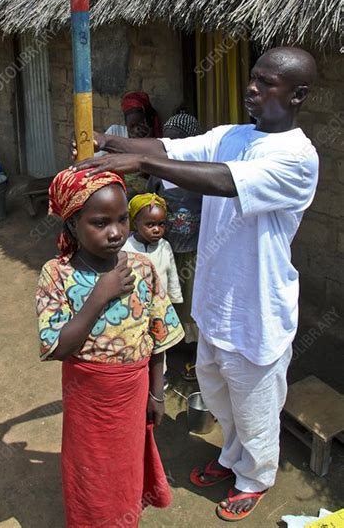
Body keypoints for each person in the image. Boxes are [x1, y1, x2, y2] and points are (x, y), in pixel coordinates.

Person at [71, 47, 319, 522]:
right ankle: (231, 458)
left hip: (257, 308)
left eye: (267, 82)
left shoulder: (297, 159)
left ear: (298, 95)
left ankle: (257, 476)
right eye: (253, 78)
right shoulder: (233, 135)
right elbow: (166, 149)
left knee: (255, 403)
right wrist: (104, 143)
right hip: (216, 298)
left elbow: (223, 180)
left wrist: (136, 167)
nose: (252, 88)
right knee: (218, 389)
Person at [36, 167, 184, 527]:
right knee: (90, 470)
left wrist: (157, 393)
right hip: (86, 396)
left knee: (126, 467)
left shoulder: (143, 268)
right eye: (100, 222)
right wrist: (99, 296)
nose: (116, 232)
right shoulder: (57, 275)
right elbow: (56, 347)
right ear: (72, 225)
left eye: (121, 220)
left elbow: (158, 335)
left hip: (132, 392)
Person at [147, 112, 203, 380]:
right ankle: (167, 353)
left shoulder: (203, 175)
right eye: (167, 142)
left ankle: (194, 355)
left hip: (194, 252)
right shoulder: (159, 174)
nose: (172, 148)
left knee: (192, 302)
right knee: (166, 299)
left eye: (178, 142)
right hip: (165, 251)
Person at [123, 192, 184, 391]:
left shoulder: (165, 246)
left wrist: (173, 300)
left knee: (160, 342)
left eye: (161, 224)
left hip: (160, 307)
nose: (157, 229)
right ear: (134, 223)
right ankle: (136, 376)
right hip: (135, 309)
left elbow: (172, 273)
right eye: (150, 224)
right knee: (136, 341)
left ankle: (159, 378)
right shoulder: (125, 249)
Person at [101, 91, 162, 197]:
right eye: (132, 126)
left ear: (148, 121)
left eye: (141, 124)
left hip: (138, 188)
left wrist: (145, 142)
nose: (136, 129)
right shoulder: (115, 132)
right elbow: (98, 159)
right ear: (125, 123)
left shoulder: (154, 142)